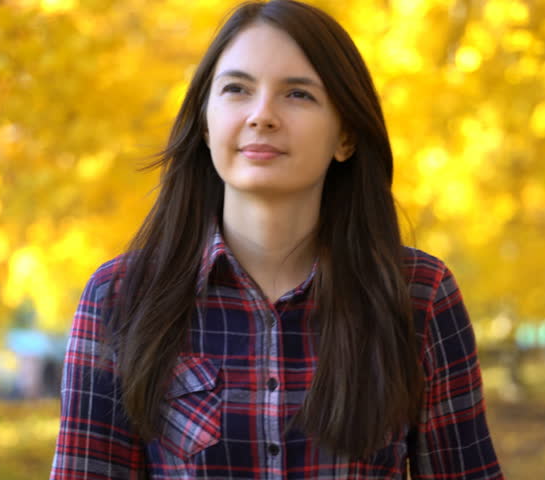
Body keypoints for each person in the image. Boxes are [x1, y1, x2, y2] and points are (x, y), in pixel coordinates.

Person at [50, 1, 503, 479]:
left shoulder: (418, 295)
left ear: (345, 136)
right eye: (237, 89)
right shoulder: (121, 297)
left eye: (298, 95)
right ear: (205, 123)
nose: (262, 116)